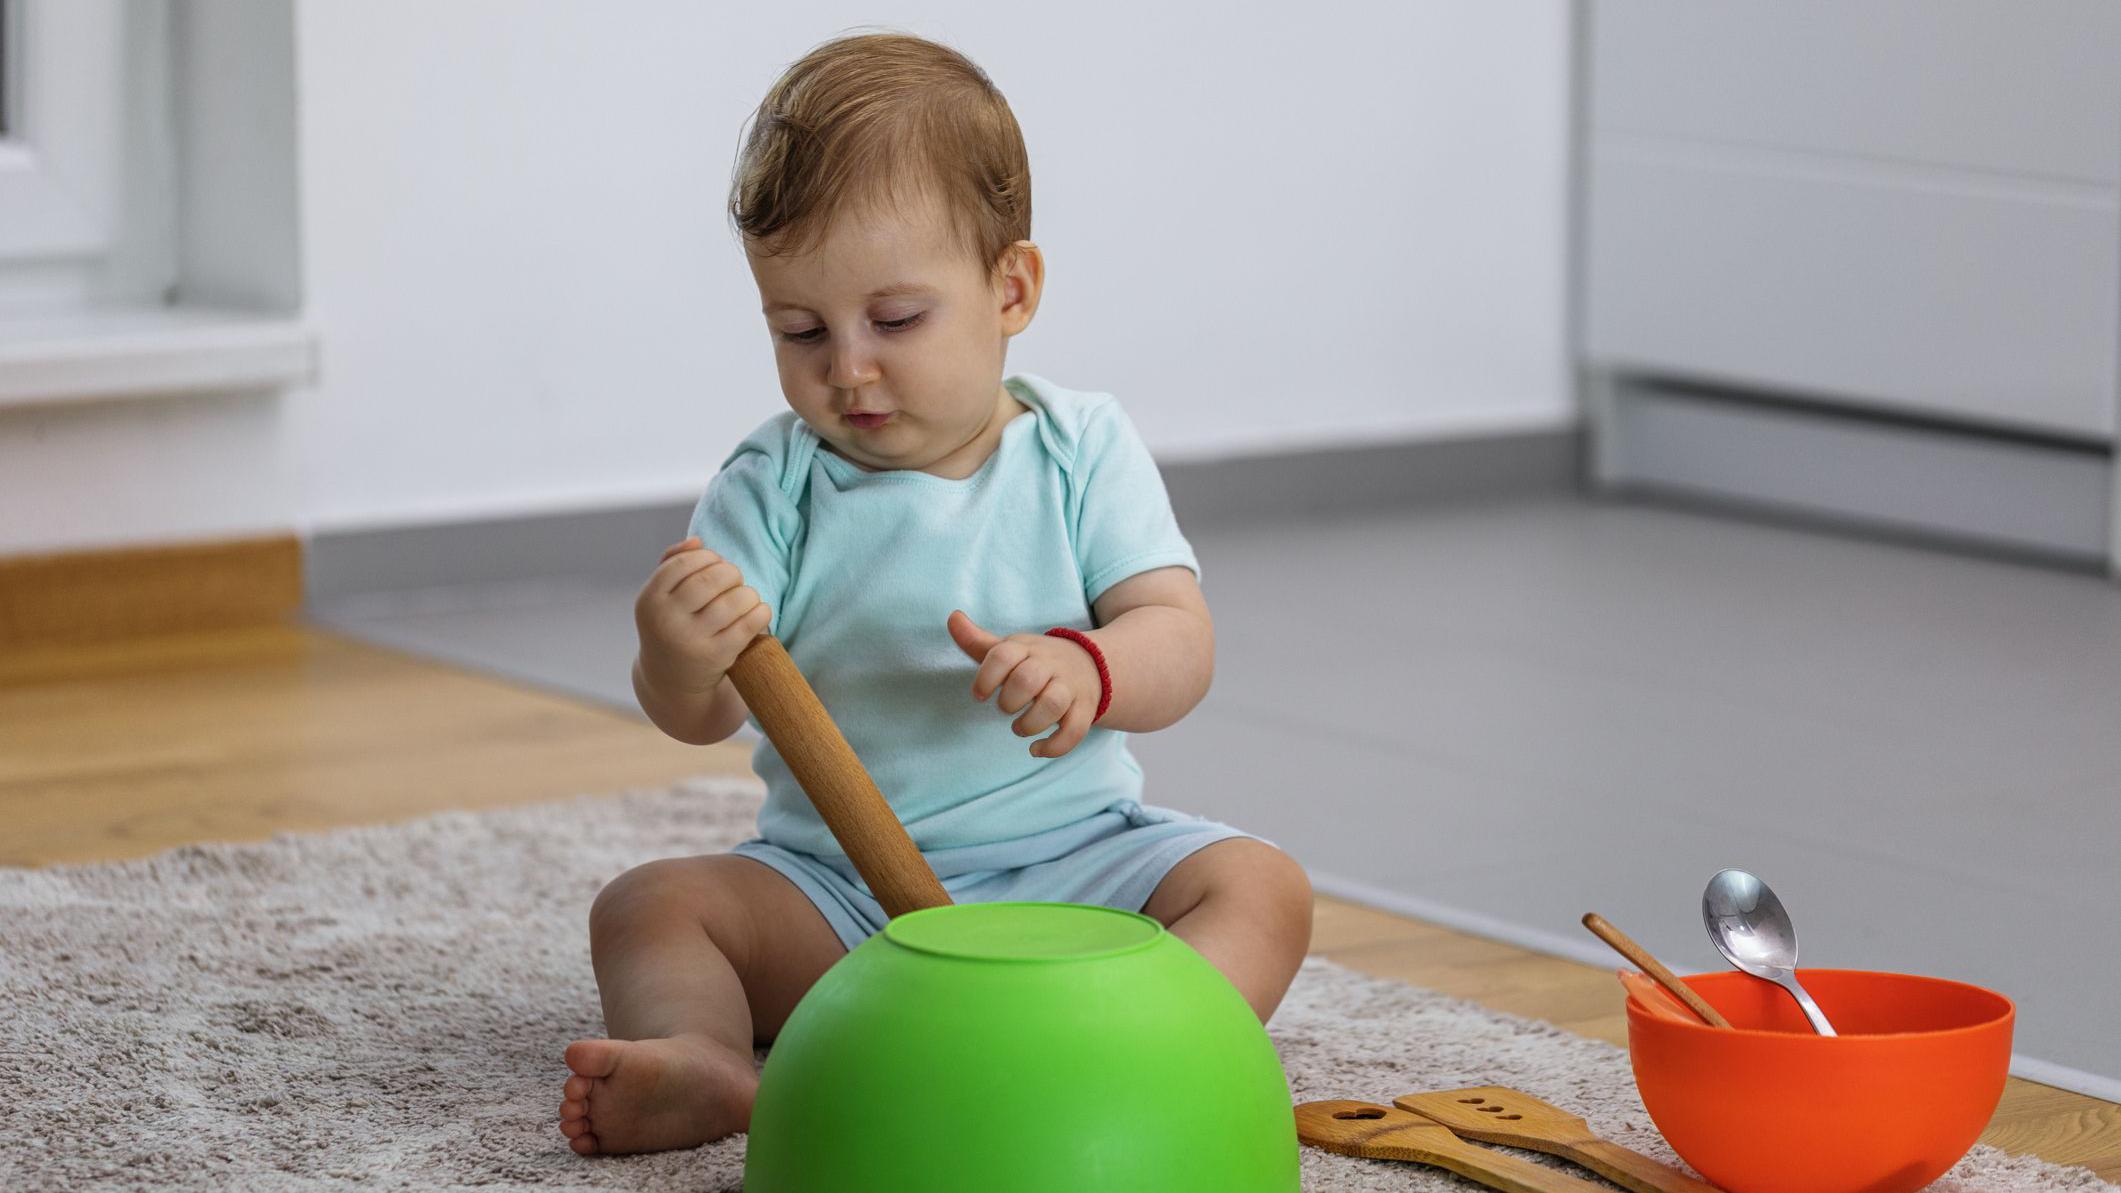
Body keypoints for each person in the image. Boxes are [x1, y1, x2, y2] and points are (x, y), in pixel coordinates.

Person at [558, 30, 1312, 1156]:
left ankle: (1154, 1044)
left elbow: (1179, 639)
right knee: (648, 906)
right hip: (842, 897)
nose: (847, 368)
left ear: (1011, 288)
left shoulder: (1081, 448)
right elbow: (703, 710)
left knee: (1260, 885)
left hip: (1077, 872)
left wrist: (1091, 666)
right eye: (799, 329)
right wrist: (674, 650)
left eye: (895, 320)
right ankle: (709, 1059)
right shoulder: (774, 484)